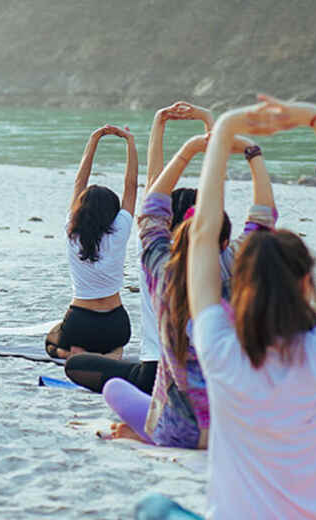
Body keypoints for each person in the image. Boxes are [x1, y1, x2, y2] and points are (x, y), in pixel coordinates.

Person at [66, 96, 316, 520]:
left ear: (244, 282)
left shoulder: (221, 350)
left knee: (155, 508)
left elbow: (203, 234)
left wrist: (225, 126)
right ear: (307, 282)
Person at [100, 121, 277, 448]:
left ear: (177, 236)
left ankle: (142, 431)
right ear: (225, 243)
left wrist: (190, 149)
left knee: (114, 387)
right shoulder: (239, 275)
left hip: (176, 429)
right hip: (233, 429)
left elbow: (151, 212)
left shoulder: (163, 277)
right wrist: (253, 153)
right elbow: (263, 219)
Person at [66, 102, 209, 393]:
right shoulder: (215, 257)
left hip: (157, 374)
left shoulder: (153, 254)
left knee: (75, 365)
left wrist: (159, 123)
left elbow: (147, 184)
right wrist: (208, 122)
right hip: (207, 374)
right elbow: (213, 185)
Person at [45, 124, 138, 359]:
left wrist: (94, 137)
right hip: (116, 323)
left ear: (79, 210)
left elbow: (80, 181)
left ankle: (72, 352)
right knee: (117, 347)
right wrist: (130, 142)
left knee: (51, 341)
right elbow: (131, 185)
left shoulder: (72, 231)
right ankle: (109, 355)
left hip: (80, 322)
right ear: (112, 212)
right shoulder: (120, 230)